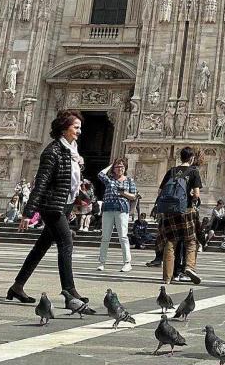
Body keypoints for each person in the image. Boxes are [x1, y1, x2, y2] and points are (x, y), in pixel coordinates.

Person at [9, 110, 89, 304]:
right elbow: (42, 183)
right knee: (66, 243)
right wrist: (28, 213)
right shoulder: (52, 151)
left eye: (80, 128)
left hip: (65, 204)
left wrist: (80, 165)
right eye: (75, 127)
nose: (79, 131)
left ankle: (17, 286)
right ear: (64, 128)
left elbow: (70, 178)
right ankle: (69, 290)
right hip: (52, 206)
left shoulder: (72, 150)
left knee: (41, 246)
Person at [155, 147, 203, 286]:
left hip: (170, 211)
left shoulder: (172, 171)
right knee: (191, 241)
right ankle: (189, 267)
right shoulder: (193, 172)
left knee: (170, 242)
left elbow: (160, 191)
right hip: (186, 210)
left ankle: (167, 277)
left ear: (180, 157)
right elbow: (196, 194)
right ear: (192, 158)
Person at [97, 158, 138, 272]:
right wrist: (111, 165)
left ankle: (127, 262)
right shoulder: (109, 180)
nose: (120, 169)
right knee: (105, 237)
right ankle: (101, 262)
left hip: (121, 209)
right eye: (117, 167)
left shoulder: (129, 180)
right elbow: (100, 174)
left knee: (123, 236)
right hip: (108, 209)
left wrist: (123, 193)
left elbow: (134, 196)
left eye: (122, 167)